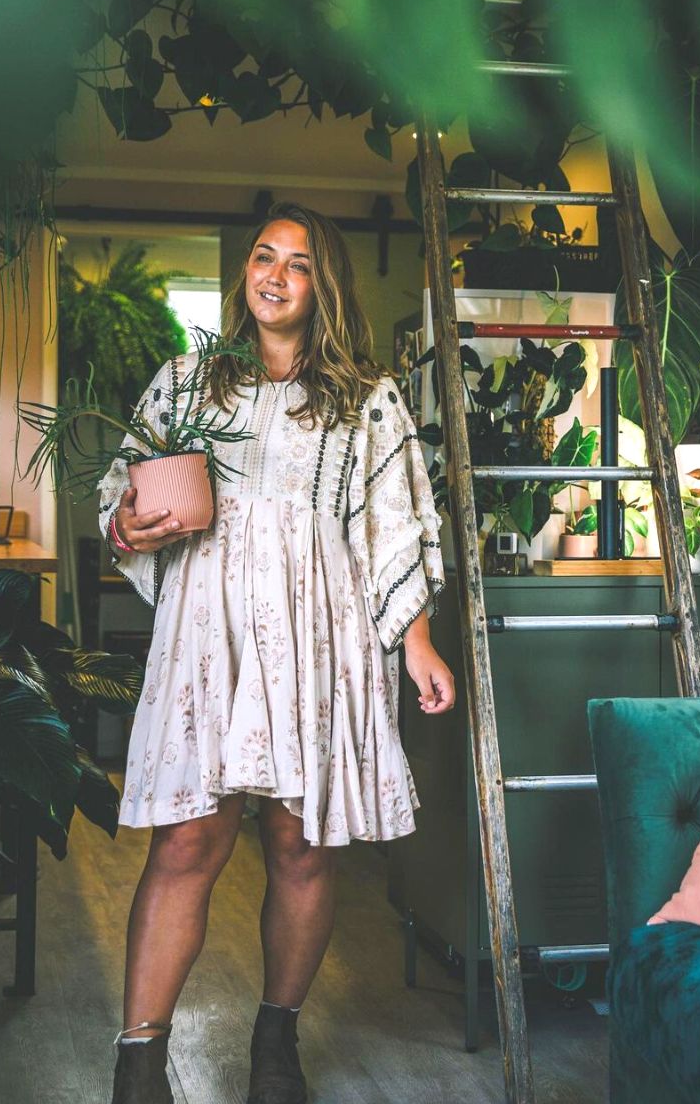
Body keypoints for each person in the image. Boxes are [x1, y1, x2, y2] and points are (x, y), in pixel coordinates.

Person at [97, 201, 456, 1104]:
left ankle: (276, 1042)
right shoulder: (186, 384)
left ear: (321, 287)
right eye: (264, 256)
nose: (275, 274)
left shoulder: (367, 398)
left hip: (320, 637)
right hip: (209, 638)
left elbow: (395, 525)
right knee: (188, 838)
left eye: (298, 264)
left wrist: (416, 642)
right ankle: (139, 1061)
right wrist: (127, 523)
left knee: (302, 846)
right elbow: (123, 489)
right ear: (244, 272)